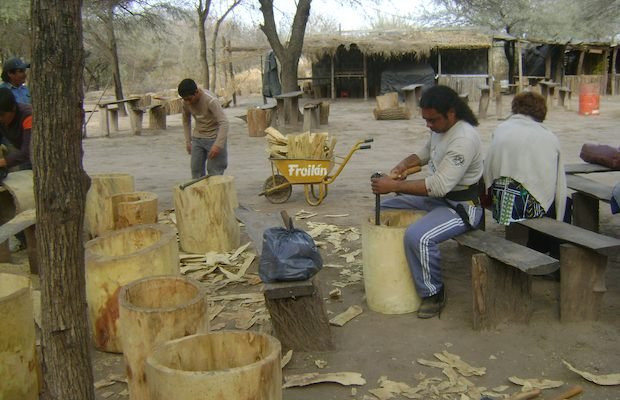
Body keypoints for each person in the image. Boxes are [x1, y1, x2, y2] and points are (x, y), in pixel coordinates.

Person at [371, 85, 484, 319]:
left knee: (418, 236)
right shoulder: (441, 129)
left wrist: (395, 186)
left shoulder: (463, 138)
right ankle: (401, 268)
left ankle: (433, 293)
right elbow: (424, 154)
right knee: (383, 210)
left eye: (432, 120)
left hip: (461, 208)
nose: (428, 126)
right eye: (426, 120)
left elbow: (440, 185)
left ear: (451, 113)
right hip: (438, 200)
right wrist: (402, 166)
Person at [483, 91, 567, 226]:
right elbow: (557, 181)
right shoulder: (548, 136)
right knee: (564, 205)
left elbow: (488, 168)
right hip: (531, 209)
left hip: (502, 206)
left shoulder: (501, 129)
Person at [178, 78, 228, 179]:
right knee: (196, 171)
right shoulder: (185, 103)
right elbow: (186, 121)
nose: (188, 102)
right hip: (198, 138)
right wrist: (188, 141)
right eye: (185, 99)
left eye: (189, 99)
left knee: (214, 173)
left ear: (196, 92)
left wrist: (218, 145)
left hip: (214, 137)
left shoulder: (210, 100)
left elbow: (224, 122)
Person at [0, 87, 32, 171]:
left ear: (13, 108)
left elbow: (27, 152)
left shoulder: (28, 116)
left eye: (2, 115)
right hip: (21, 153)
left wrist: (2, 162)